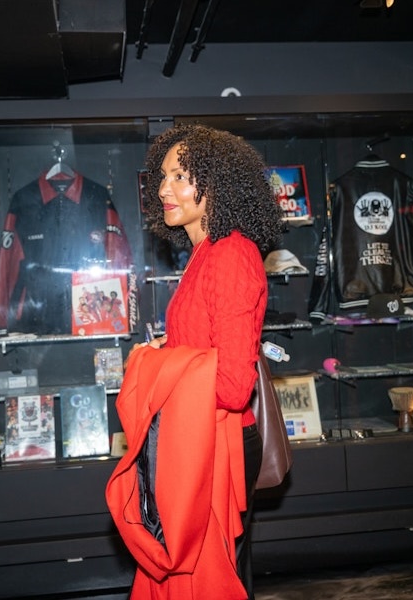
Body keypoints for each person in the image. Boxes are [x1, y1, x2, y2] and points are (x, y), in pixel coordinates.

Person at [106, 124, 282, 599]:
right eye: (163, 177)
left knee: (211, 580)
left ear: (217, 184)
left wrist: (154, 365)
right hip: (199, 439)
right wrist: (168, 349)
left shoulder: (231, 255)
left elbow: (229, 384)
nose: (165, 189)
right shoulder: (205, 251)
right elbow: (205, 346)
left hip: (217, 444)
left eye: (182, 176)